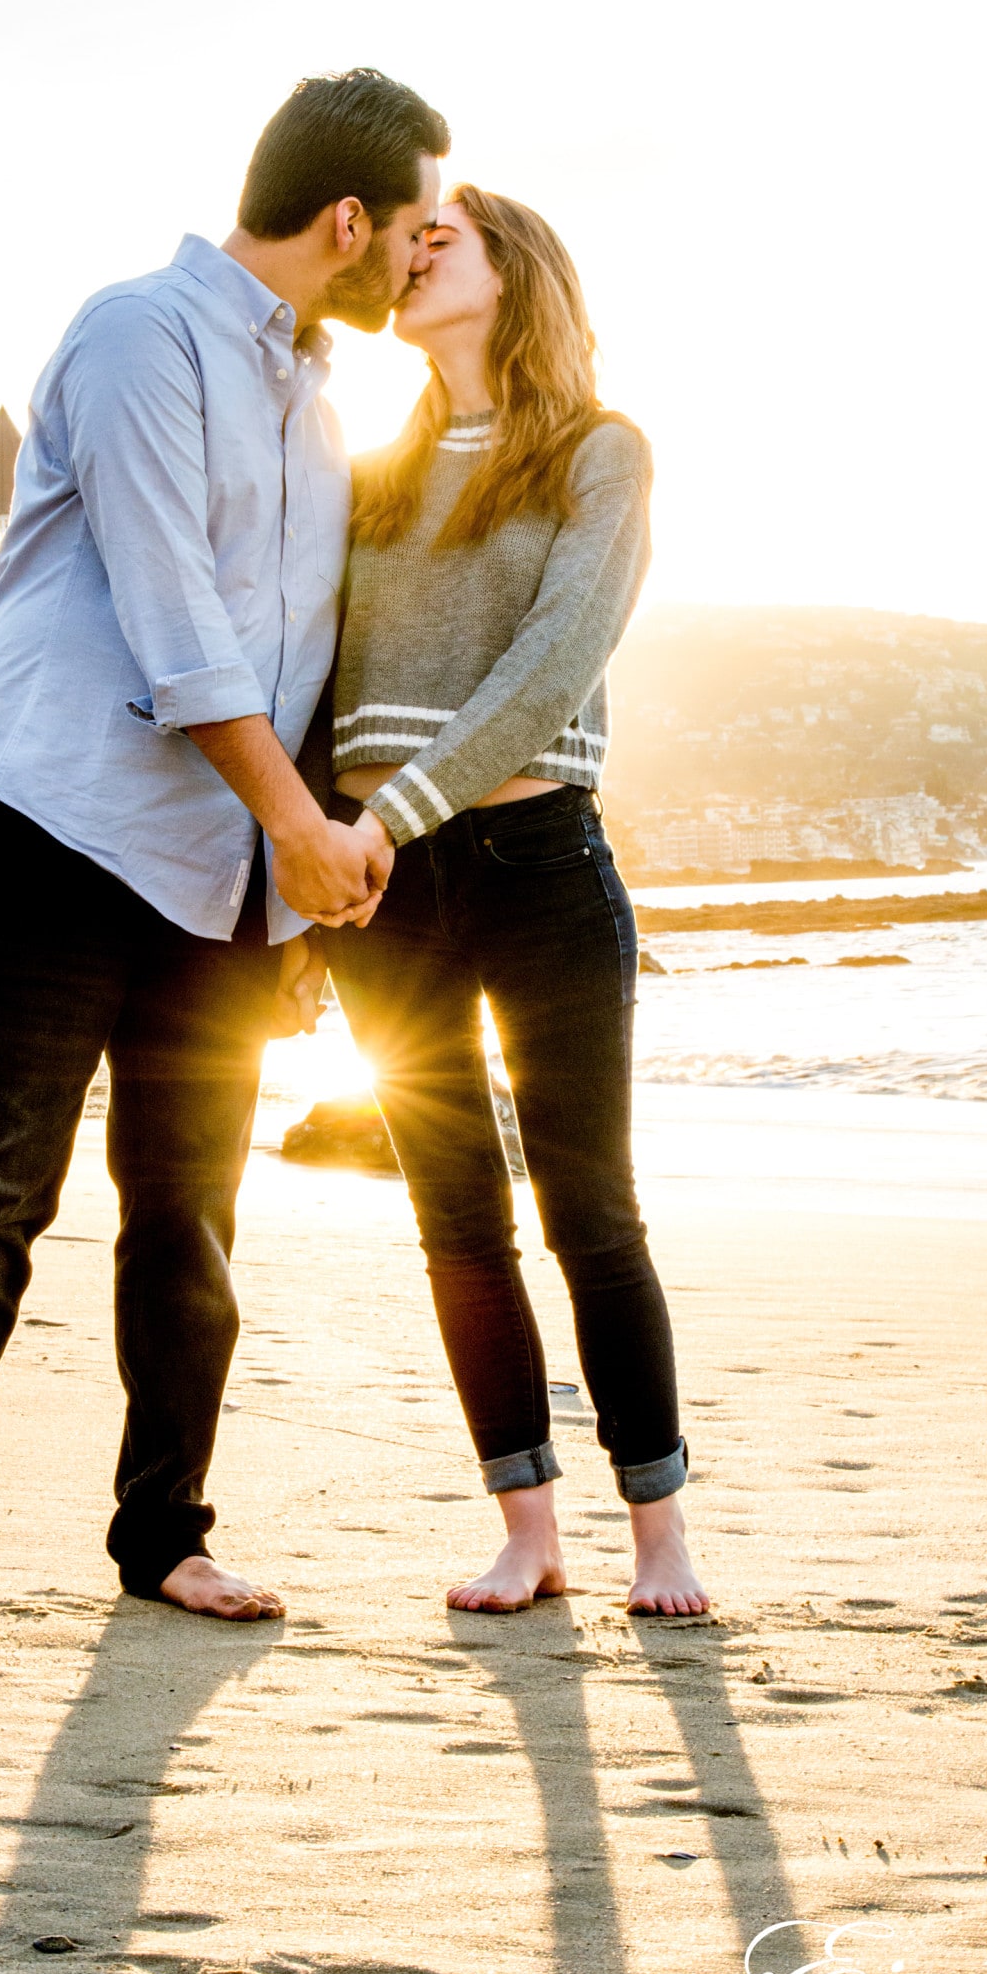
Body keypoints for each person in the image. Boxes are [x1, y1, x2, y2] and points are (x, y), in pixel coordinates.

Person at [0, 69, 447, 1638]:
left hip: (222, 868)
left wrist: (291, 872)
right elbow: (175, 617)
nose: (422, 251)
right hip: (58, 824)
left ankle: (162, 1535)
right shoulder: (135, 334)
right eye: (415, 224)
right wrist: (298, 828)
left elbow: (306, 655)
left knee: (188, 1210)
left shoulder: (317, 403)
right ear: (347, 222)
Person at [315, 185, 708, 1616]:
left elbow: (553, 664)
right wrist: (310, 860)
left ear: (516, 272)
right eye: (406, 245)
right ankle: (525, 1530)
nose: (412, 260)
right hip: (378, 891)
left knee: (589, 1210)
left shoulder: (601, 456)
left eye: (442, 242)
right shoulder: (361, 472)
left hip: (538, 866)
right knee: (455, 1218)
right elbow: (310, 677)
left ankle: (657, 1533)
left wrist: (382, 820)